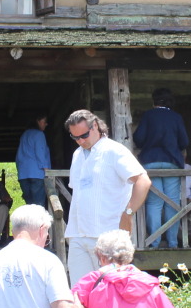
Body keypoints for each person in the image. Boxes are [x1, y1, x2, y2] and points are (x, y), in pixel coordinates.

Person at [63, 109, 151, 284]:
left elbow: (143, 180)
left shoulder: (114, 150)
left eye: (84, 135)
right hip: (78, 233)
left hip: (107, 235)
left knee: (110, 291)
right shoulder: (77, 154)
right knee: (79, 292)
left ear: (95, 126)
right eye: (75, 138)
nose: (80, 141)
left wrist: (128, 213)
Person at [133, 89, 189, 248]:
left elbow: (139, 138)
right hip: (172, 162)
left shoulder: (148, 116)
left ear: (154, 101)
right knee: (172, 203)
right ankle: (172, 242)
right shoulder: (176, 117)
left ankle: (154, 242)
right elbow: (184, 141)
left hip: (151, 162)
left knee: (154, 204)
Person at [16, 114, 51, 208]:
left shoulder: (24, 135)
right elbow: (40, 152)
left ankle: (30, 223)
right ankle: (39, 223)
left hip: (23, 175)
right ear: (38, 121)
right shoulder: (39, 134)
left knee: (30, 205)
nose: (46, 124)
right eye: (44, 121)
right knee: (38, 205)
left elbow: (18, 157)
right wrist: (47, 171)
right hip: (37, 174)